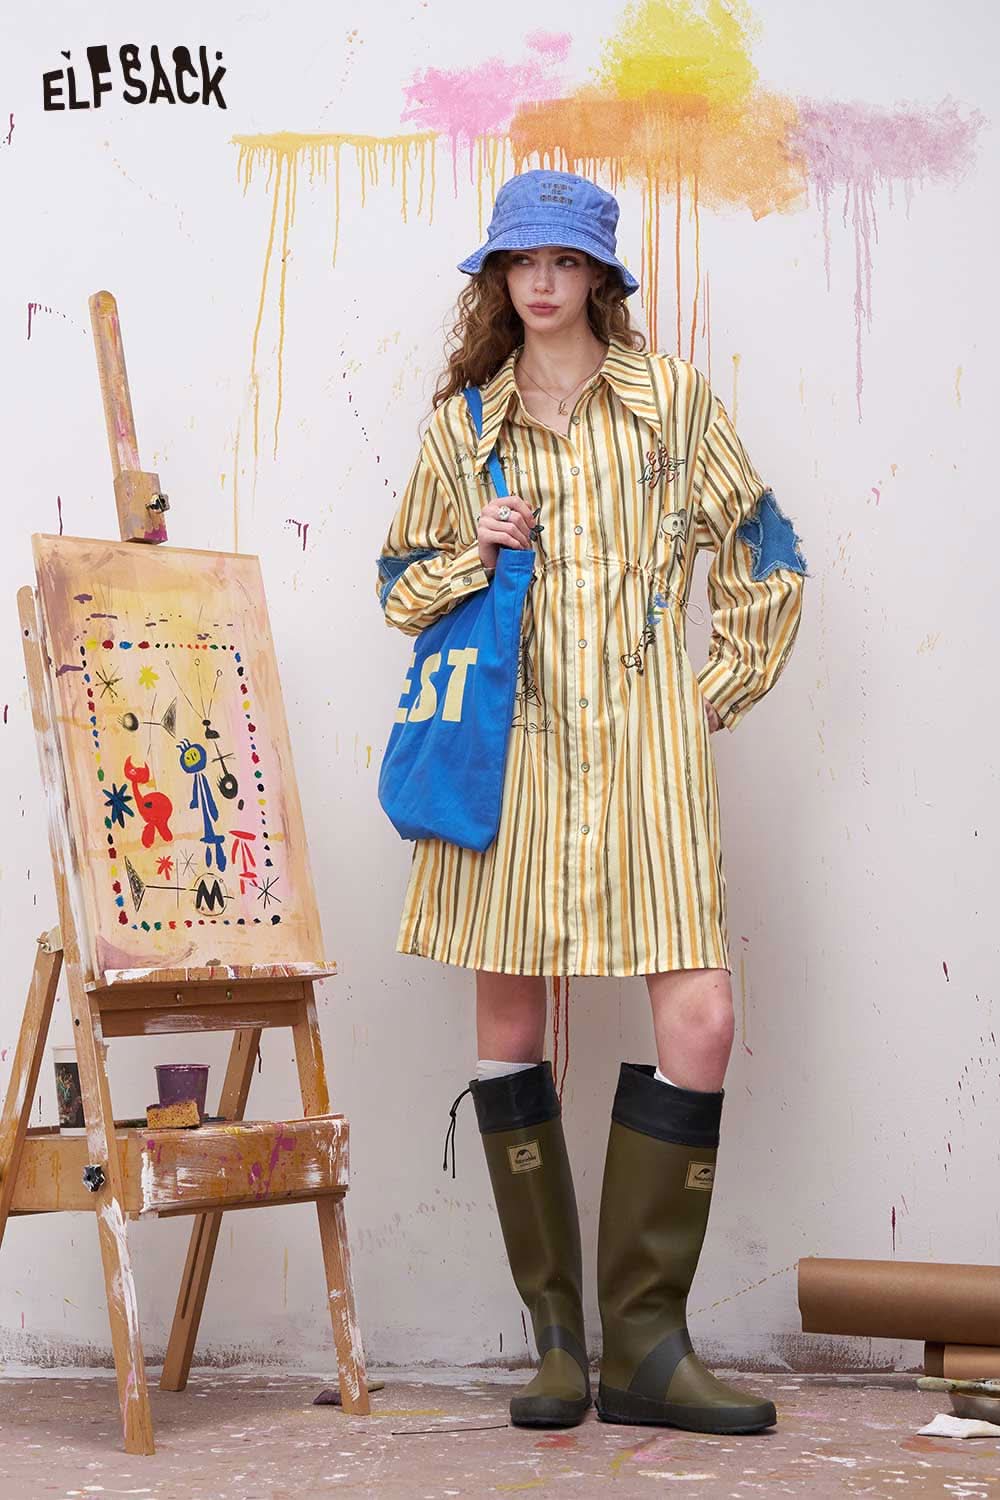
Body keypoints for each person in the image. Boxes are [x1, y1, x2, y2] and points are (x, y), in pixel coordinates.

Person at [375, 169, 807, 1434]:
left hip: (642, 754)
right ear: (499, 278)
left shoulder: (671, 402)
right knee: (512, 1020)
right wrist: (475, 550)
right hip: (509, 757)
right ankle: (559, 1344)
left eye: (565, 261)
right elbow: (397, 586)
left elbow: (765, 550)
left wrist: (707, 693)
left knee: (702, 1016)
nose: (543, 282)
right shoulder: (465, 428)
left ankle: (646, 1346)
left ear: (600, 277)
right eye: (522, 261)